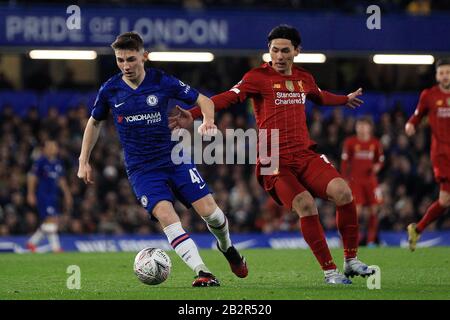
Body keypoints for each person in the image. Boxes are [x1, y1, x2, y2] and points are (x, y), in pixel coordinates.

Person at [169, 24, 375, 284]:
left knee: (343, 192)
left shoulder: (304, 78)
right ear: (268, 51)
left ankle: (351, 260)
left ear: (297, 51)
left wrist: (344, 99)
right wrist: (195, 114)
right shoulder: (257, 77)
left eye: (284, 51)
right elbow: (228, 98)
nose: (278, 56)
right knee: (305, 204)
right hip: (272, 159)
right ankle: (330, 272)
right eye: (274, 50)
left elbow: (320, 97)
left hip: (304, 154)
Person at [77, 32, 247, 287]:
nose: (126, 66)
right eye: (120, 60)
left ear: (144, 57)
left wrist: (208, 122)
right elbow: (94, 122)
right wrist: (83, 161)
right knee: (167, 216)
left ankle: (228, 248)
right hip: (142, 169)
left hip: (173, 159)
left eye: (131, 59)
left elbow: (204, 100)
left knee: (211, 214)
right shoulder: (110, 89)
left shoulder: (162, 81)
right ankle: (203, 272)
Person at [405, 58, 450, 251]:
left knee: (444, 201)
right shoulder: (429, 95)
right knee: (445, 199)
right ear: (436, 76)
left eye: (447, 72)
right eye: (441, 73)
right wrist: (410, 125)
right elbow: (417, 116)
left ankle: (418, 229)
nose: (445, 76)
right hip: (442, 154)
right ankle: (418, 228)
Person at [341, 117, 384, 247]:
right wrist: (344, 179)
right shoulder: (350, 142)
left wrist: (377, 166)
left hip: (371, 182)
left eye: (364, 126)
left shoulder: (375, 143)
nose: (361, 128)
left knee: (374, 210)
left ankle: (371, 241)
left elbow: (380, 160)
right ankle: (355, 241)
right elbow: (344, 162)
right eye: (359, 126)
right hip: (355, 182)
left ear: (370, 127)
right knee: (355, 212)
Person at [26, 140, 72, 252]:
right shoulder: (41, 161)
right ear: (45, 149)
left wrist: (67, 195)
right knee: (52, 220)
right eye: (51, 147)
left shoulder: (58, 163)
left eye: (55, 146)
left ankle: (32, 243)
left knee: (49, 222)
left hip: (53, 196)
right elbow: (32, 177)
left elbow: (62, 180)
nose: (53, 149)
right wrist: (30, 193)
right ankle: (56, 248)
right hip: (43, 195)